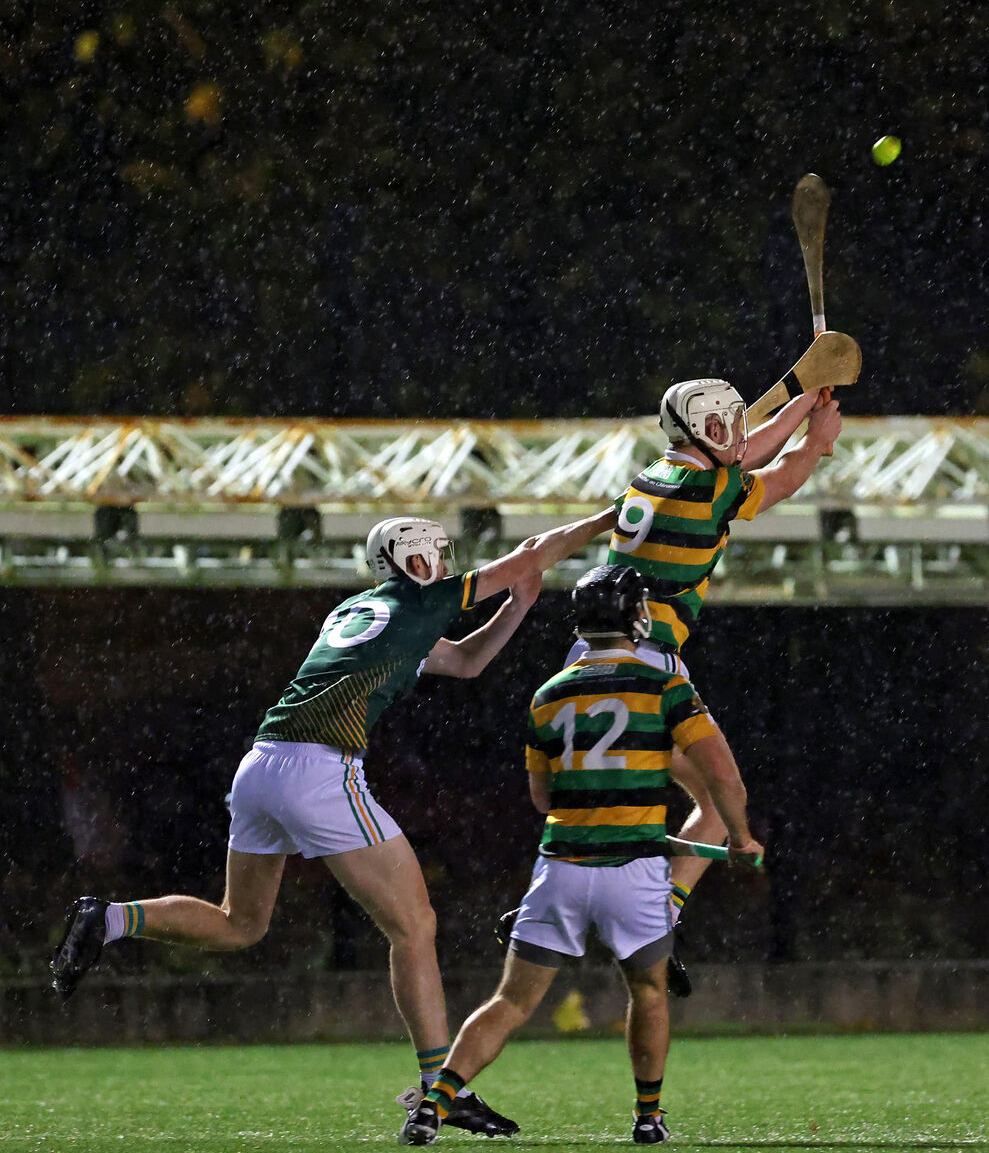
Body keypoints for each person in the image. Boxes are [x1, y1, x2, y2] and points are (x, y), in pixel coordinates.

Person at [50, 508, 615, 1140]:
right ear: (415, 560)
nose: (448, 564)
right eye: (439, 554)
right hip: (319, 771)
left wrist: (516, 606)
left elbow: (462, 662)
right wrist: (618, 511)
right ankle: (439, 1087)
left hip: (261, 763)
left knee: (242, 923)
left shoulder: (354, 610)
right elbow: (539, 548)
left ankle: (111, 918)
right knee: (415, 925)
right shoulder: (423, 597)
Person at [398, 564, 764, 1146]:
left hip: (560, 867)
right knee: (646, 990)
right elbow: (725, 779)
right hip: (636, 871)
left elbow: (544, 797)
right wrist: (741, 840)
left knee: (511, 1002)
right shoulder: (665, 687)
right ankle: (648, 1117)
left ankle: (433, 1105)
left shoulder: (547, 695)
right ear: (636, 617)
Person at [603, 376, 840, 950]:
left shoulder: (655, 477)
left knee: (601, 796)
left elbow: (743, 452)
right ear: (708, 429)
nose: (739, 433)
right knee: (719, 799)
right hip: (649, 664)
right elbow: (777, 477)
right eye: (729, 423)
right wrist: (814, 444)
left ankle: (565, 891)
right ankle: (654, 922)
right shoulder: (707, 490)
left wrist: (805, 404)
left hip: (590, 659)